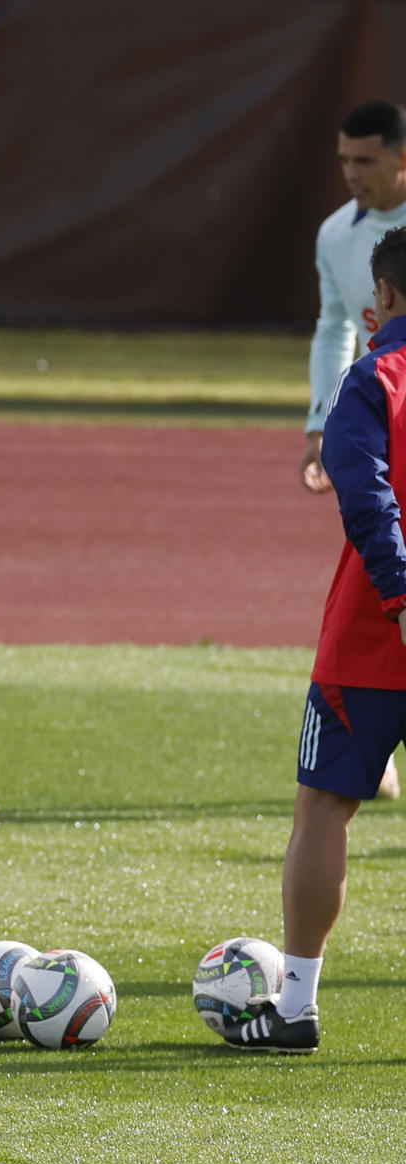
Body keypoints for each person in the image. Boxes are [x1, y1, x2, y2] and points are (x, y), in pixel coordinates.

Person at [228, 225, 406, 1054]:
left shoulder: (373, 379)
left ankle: (294, 1006)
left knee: (323, 807)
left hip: (371, 637)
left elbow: (363, 490)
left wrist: (401, 592)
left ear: (387, 298)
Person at [302, 100, 406, 801]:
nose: (351, 173)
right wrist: (318, 421)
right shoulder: (337, 234)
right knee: (364, 548)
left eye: (364, 159)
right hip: (375, 399)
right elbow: (332, 323)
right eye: (343, 159)